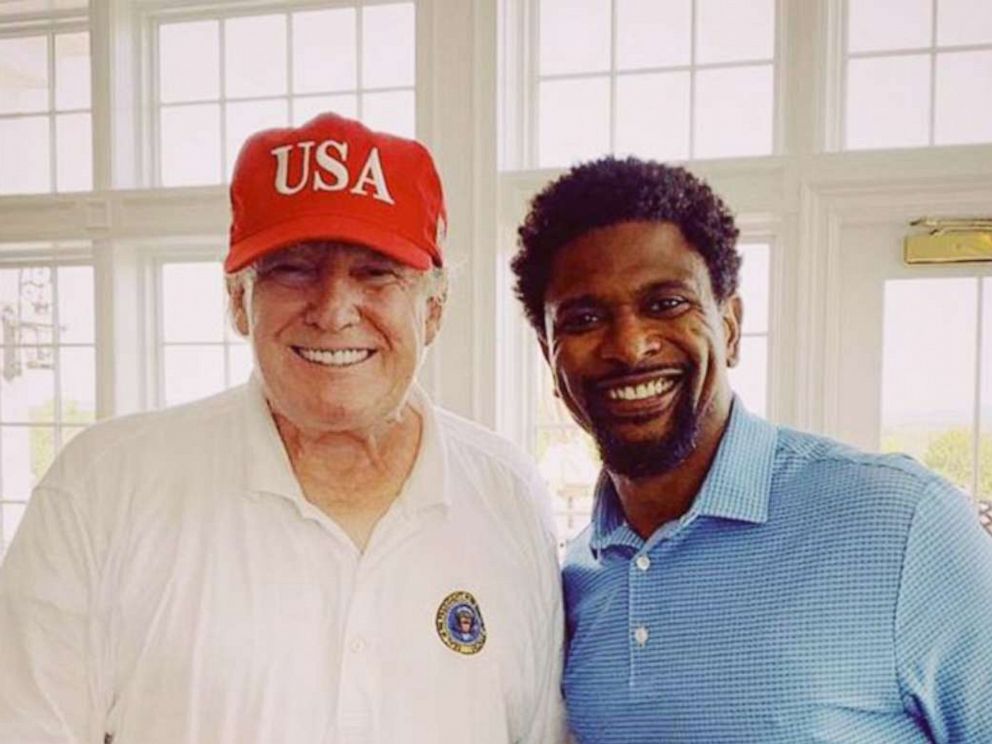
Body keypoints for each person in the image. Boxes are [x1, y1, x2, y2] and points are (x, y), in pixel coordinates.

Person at [0, 113, 564, 744]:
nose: (332, 310)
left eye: (376, 271)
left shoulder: (508, 493)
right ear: (238, 301)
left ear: (434, 308)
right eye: (292, 269)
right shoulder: (103, 487)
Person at [511, 156, 992, 743]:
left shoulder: (903, 522)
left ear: (730, 327)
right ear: (549, 356)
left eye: (666, 304)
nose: (631, 346)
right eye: (584, 318)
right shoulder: (578, 579)